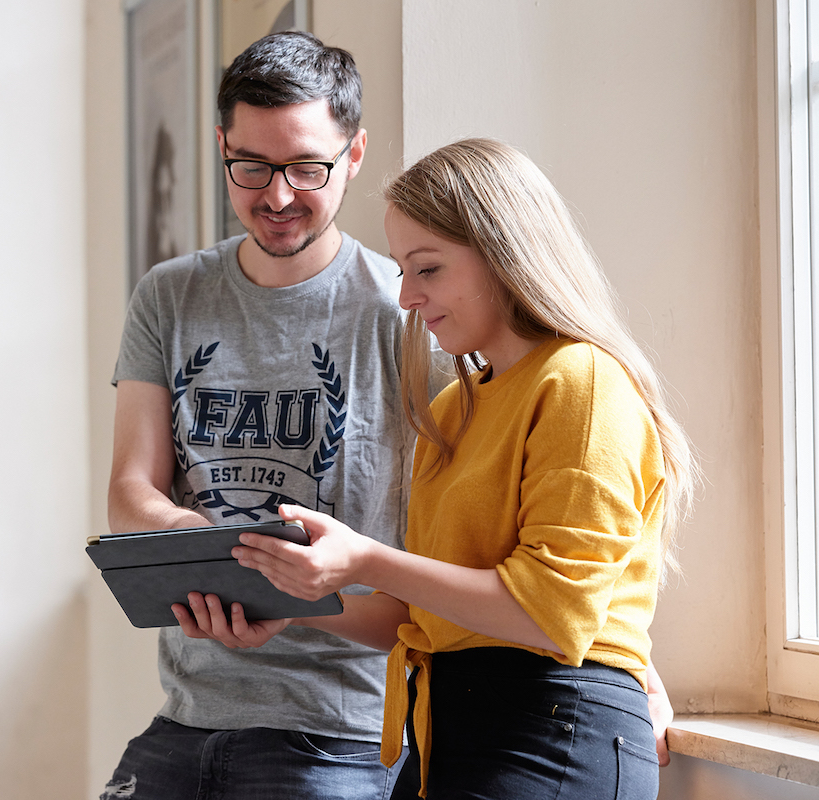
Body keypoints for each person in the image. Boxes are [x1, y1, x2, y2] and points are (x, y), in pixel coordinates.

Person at [181, 138, 696, 799]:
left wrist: (365, 560)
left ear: (505, 256)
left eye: (427, 269)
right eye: (401, 271)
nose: (406, 298)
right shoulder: (453, 410)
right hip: (448, 735)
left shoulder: (582, 382)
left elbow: (551, 616)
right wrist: (294, 594)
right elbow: (417, 612)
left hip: (553, 733)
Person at [103, 31, 420, 800]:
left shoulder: (407, 314)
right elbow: (129, 495)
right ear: (221, 147)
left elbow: (451, 564)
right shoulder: (169, 295)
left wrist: (291, 596)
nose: (276, 197)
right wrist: (201, 548)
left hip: (337, 733)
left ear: (354, 154)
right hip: (186, 714)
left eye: (307, 167)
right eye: (250, 167)